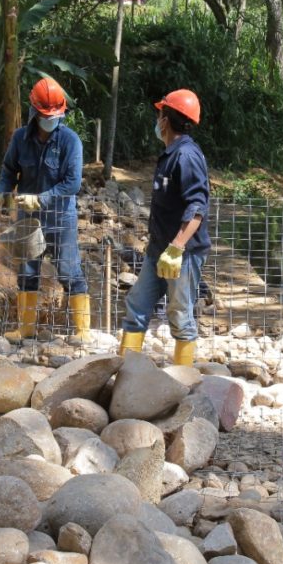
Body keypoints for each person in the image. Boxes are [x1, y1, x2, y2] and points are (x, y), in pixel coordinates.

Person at [0, 77, 90, 344]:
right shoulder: (21, 138)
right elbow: (9, 169)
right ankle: (26, 329)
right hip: (28, 218)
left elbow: (72, 183)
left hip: (60, 217)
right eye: (46, 115)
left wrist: (42, 199)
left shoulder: (70, 141)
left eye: (54, 115)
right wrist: (2, 192)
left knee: (69, 271)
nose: (50, 120)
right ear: (34, 112)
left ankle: (83, 331)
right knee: (28, 270)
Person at [119, 89, 211, 365]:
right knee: (137, 305)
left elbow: (197, 209)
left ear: (166, 120)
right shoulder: (170, 154)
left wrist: (177, 247)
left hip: (181, 253)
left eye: (160, 114)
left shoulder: (187, 157)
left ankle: (183, 379)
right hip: (159, 249)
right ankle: (125, 369)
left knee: (180, 313)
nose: (157, 120)